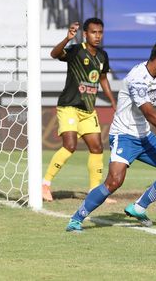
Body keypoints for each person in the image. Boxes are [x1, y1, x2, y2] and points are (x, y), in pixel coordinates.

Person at [66, 37, 156, 232]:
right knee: (114, 182)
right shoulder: (138, 79)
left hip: (144, 136)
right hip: (124, 136)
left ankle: (138, 207)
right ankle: (76, 219)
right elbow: (150, 114)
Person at [42, 18, 117, 202]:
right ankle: (44, 185)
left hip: (88, 110)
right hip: (69, 106)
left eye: (100, 32)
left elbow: (103, 79)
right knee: (70, 145)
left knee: (97, 148)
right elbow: (54, 54)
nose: (97, 36)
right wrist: (67, 39)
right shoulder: (76, 50)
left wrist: (113, 102)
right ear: (85, 33)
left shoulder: (102, 56)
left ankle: (95, 192)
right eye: (93, 32)